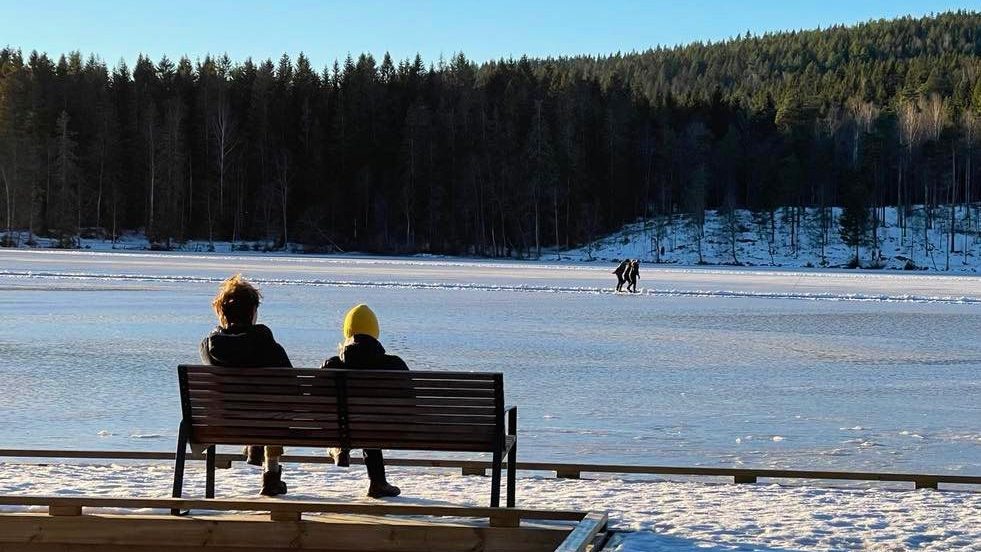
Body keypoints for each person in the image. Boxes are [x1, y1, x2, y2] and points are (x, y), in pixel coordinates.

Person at [199, 274, 291, 497]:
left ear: (222, 312)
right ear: (252, 312)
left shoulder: (208, 347)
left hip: (224, 423)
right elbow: (292, 385)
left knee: (264, 408)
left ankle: (256, 447)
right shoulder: (269, 346)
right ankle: (271, 474)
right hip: (267, 421)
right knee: (275, 407)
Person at [321, 304, 405, 499]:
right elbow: (412, 403)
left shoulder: (332, 365)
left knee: (359, 419)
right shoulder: (395, 365)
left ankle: (340, 448)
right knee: (371, 421)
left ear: (347, 332)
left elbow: (315, 403)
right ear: (375, 332)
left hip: (343, 431)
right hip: (391, 430)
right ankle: (377, 482)